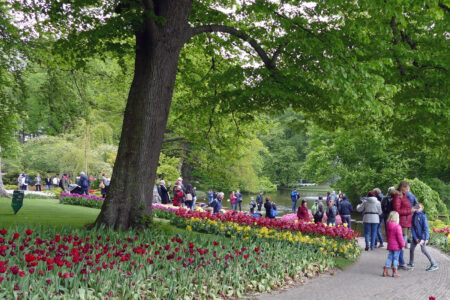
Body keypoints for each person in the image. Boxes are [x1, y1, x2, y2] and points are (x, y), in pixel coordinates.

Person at [408, 203, 439, 272]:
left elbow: (426, 228)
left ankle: (434, 264)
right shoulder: (414, 215)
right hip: (415, 237)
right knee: (411, 249)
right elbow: (412, 227)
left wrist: (425, 238)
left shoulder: (423, 216)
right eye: (416, 207)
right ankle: (411, 263)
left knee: (424, 250)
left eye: (418, 207)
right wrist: (415, 238)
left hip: (422, 237)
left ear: (422, 209)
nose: (416, 208)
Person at [393, 181, 413, 269]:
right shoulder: (398, 196)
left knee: (402, 243)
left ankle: (397, 262)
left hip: (406, 223)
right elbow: (397, 210)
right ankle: (400, 263)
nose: (408, 190)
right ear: (403, 187)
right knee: (401, 244)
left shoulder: (403, 196)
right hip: (402, 223)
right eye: (407, 188)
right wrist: (410, 211)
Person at [383, 211, 405, 277]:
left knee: (389, 258)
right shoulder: (398, 227)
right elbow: (400, 237)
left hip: (390, 244)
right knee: (396, 258)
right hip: (397, 246)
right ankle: (395, 272)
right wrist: (403, 245)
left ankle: (385, 271)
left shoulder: (388, 225)